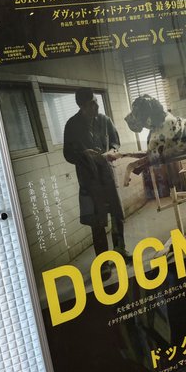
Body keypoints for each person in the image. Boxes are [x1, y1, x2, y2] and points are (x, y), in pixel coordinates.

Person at [63, 88, 130, 278]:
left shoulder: (105, 120)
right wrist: (84, 154)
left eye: (96, 101)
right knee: (97, 222)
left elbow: (115, 141)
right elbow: (68, 154)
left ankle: (120, 251)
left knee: (116, 215)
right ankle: (104, 263)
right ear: (82, 106)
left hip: (108, 175)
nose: (97, 106)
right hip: (89, 179)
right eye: (92, 103)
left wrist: (113, 150)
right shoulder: (72, 125)